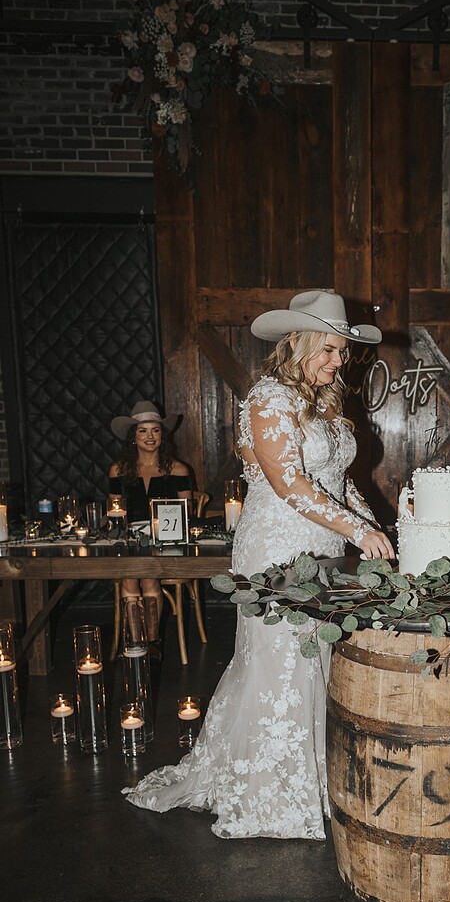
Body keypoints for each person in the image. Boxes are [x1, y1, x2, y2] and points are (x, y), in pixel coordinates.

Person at [124, 290, 394, 840]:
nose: (338, 361)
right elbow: (288, 481)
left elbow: (339, 482)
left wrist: (378, 525)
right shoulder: (267, 398)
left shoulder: (325, 401)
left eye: (342, 351)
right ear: (297, 342)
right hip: (276, 549)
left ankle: (316, 779)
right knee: (279, 663)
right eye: (328, 350)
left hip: (322, 549)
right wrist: (357, 530)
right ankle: (269, 793)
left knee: (317, 661)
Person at [109, 401, 192, 648]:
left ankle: (152, 644)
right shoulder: (118, 470)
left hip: (167, 542)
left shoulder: (178, 470)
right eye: (143, 430)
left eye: (155, 430)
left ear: (162, 435)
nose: (150, 436)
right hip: (130, 540)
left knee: (147, 578)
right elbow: (113, 512)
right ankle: (137, 643)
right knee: (129, 578)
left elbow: (186, 513)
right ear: (133, 437)